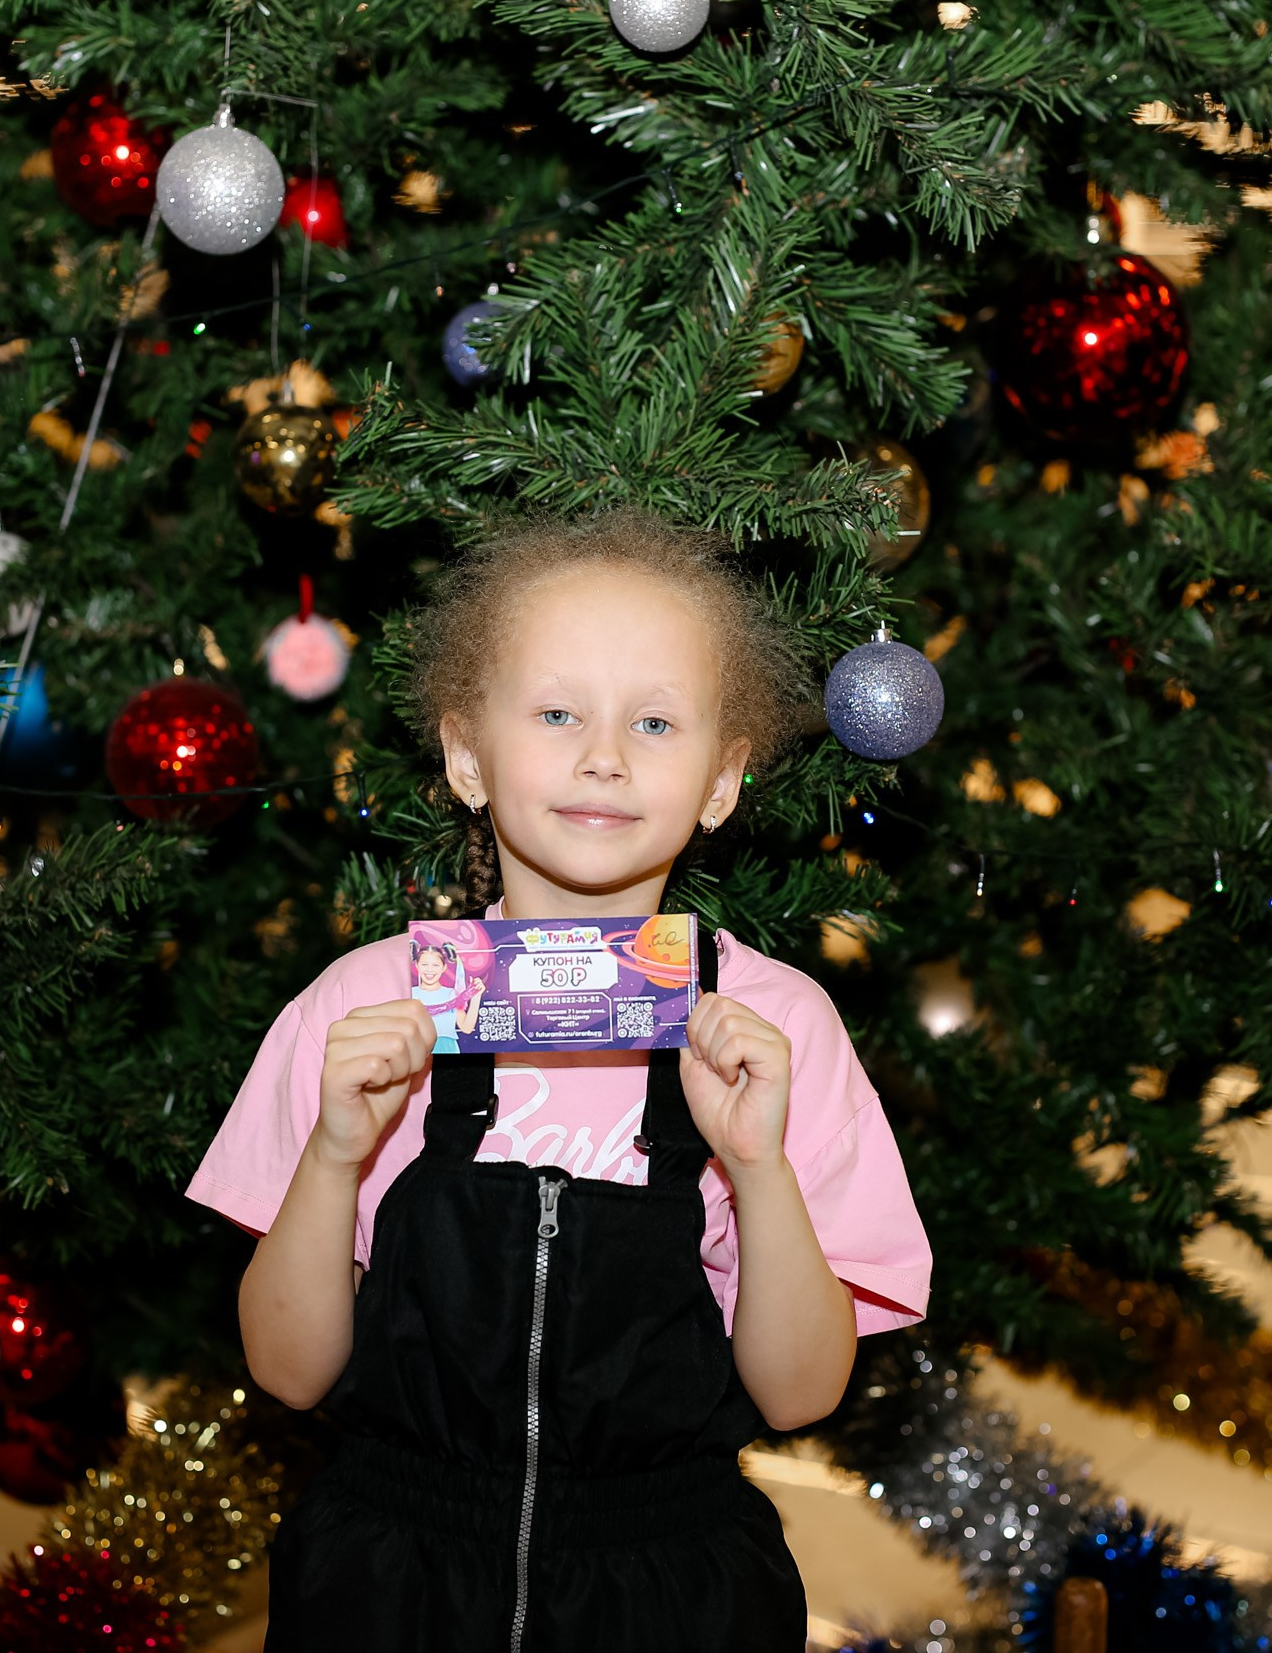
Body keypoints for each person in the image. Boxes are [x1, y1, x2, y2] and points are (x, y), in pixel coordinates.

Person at [187, 509, 932, 1651]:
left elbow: (798, 1396)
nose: (604, 756)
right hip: (387, 1586)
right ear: (466, 757)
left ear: (722, 778)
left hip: (674, 1594)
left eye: (654, 721)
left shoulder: (775, 1030)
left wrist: (757, 1164)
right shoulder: (362, 1011)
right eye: (554, 713)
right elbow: (288, 1374)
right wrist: (337, 1153)